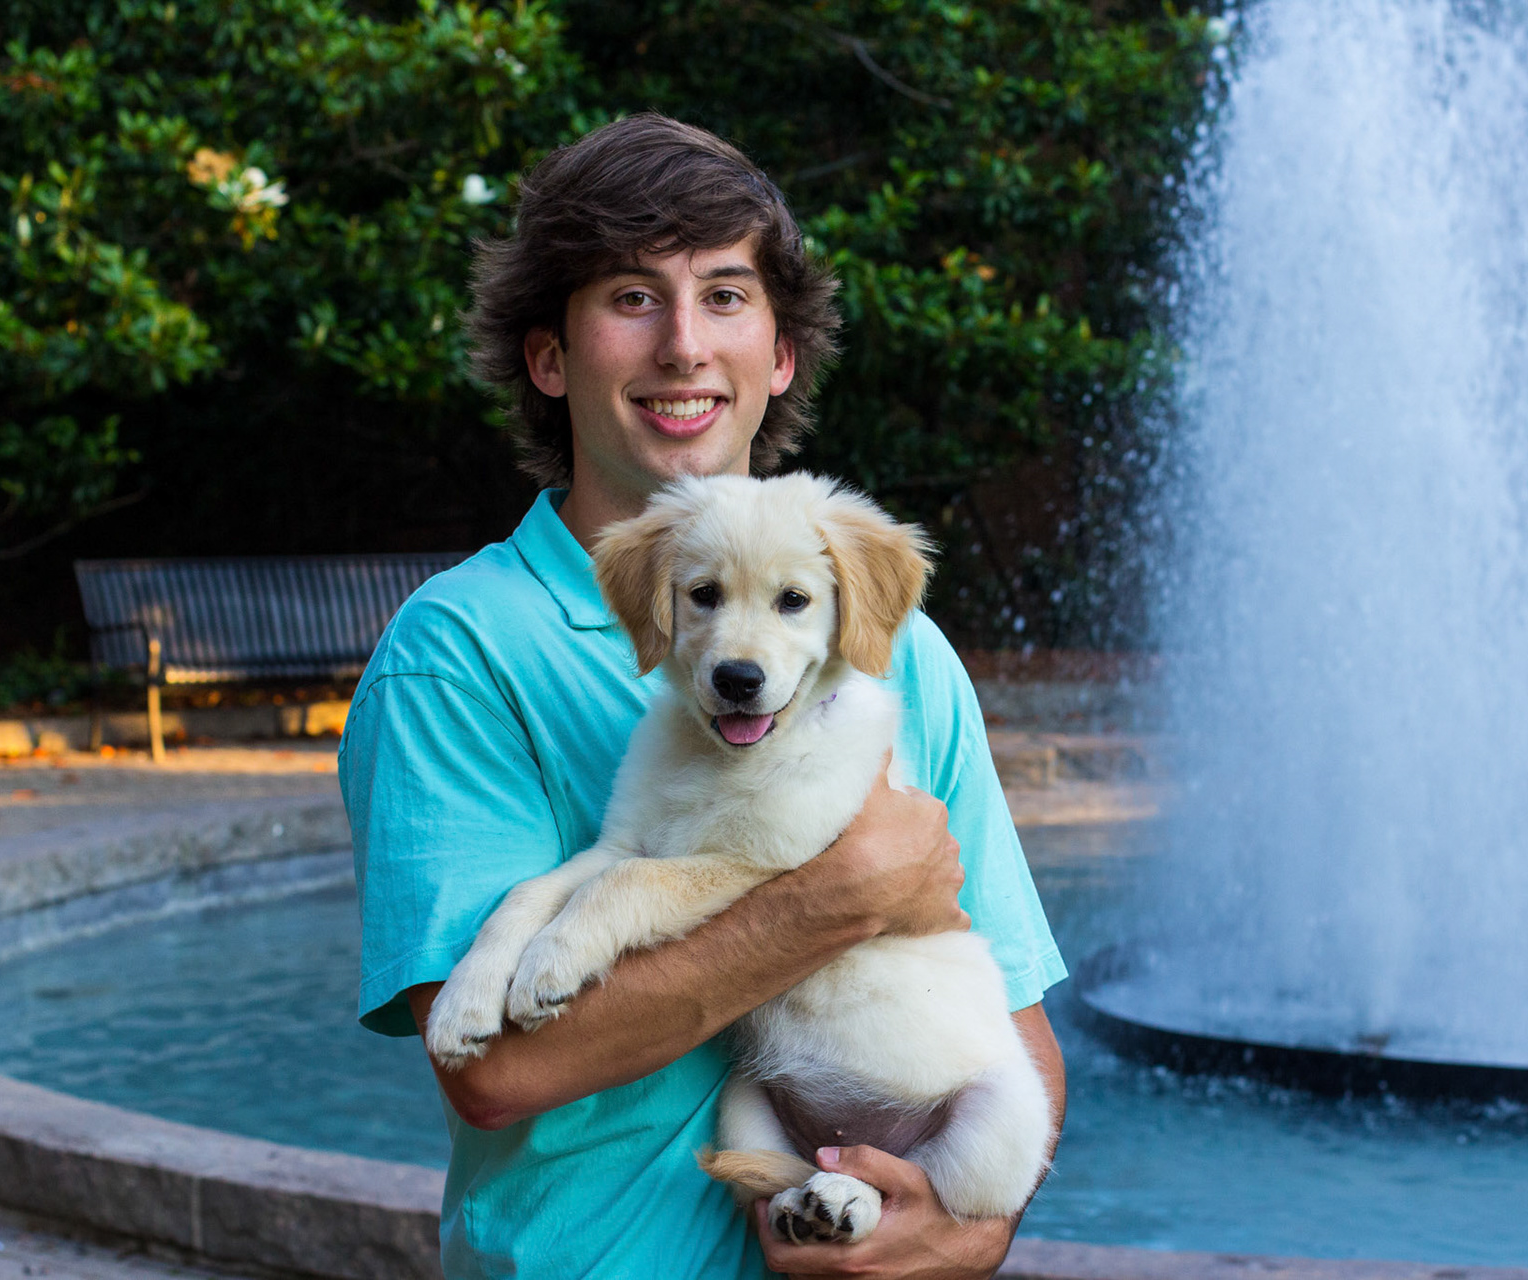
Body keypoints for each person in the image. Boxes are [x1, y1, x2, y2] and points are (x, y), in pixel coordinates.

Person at [338, 113, 1068, 1279]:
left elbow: (1013, 1027)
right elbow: (494, 1069)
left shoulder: (898, 653)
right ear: (548, 357)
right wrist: (834, 898)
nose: (683, 344)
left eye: (725, 295)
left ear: (780, 355)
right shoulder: (459, 650)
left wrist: (966, 1229)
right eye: (632, 297)